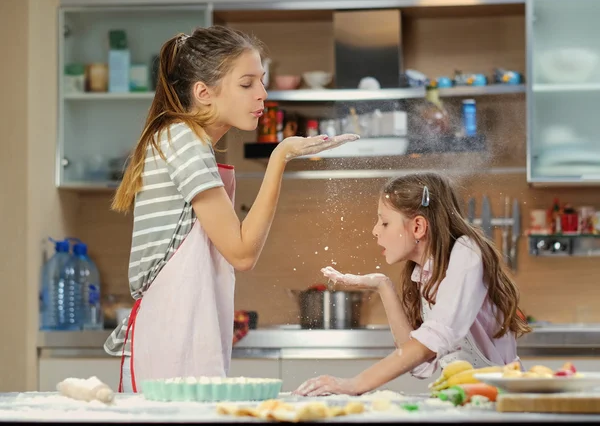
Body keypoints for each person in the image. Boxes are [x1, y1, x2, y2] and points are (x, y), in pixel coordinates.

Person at [103, 25, 359, 393]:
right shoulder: (183, 139)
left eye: (262, 81)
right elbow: (241, 252)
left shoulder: (186, 141)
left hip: (185, 326)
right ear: (204, 93)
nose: (263, 94)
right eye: (247, 83)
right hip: (174, 332)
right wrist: (281, 155)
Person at [293, 172, 531, 396]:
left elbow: (431, 341)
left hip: (502, 399)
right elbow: (419, 360)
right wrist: (382, 285)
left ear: (418, 226)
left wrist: (354, 384)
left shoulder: (467, 252)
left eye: (384, 223)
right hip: (465, 397)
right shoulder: (424, 273)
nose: (375, 231)